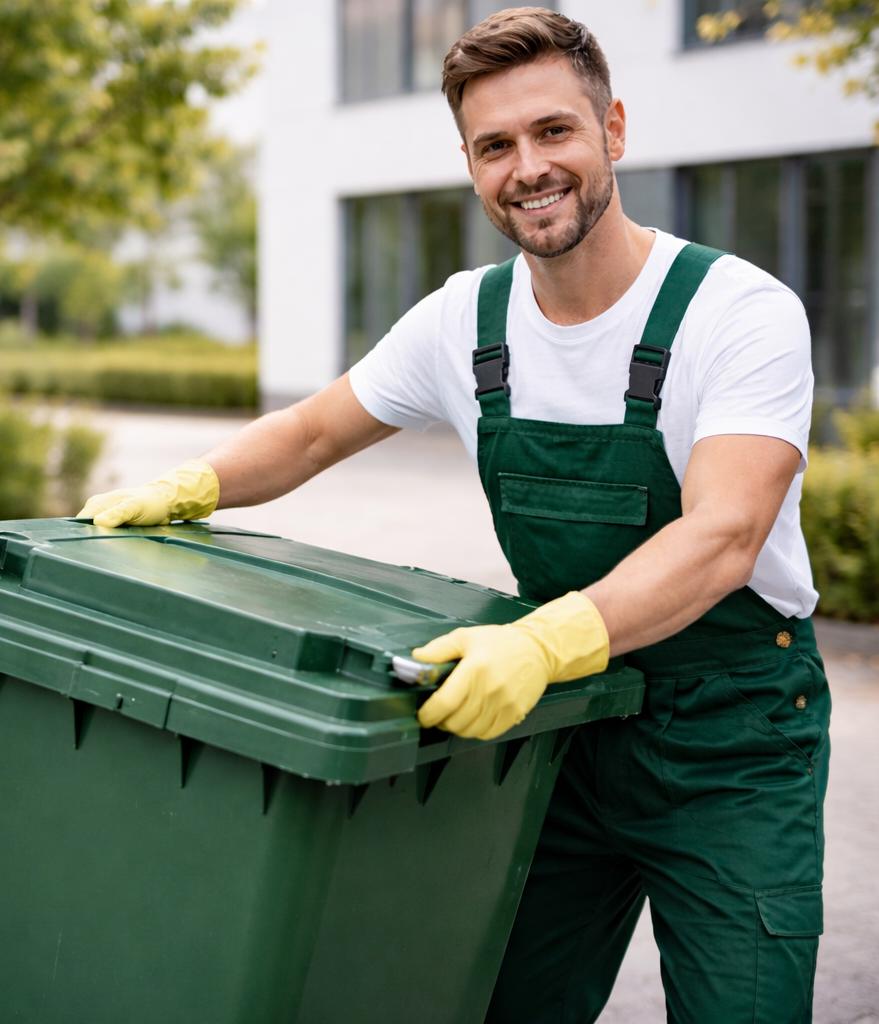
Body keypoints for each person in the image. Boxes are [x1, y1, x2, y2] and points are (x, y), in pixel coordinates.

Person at [79, 8, 828, 1022]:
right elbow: (308, 433)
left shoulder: (734, 312)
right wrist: (189, 485)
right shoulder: (464, 321)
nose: (528, 167)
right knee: (494, 999)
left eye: (553, 131)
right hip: (558, 726)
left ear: (612, 128)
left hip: (731, 737)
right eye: (494, 146)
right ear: (471, 166)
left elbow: (724, 534)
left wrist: (544, 641)